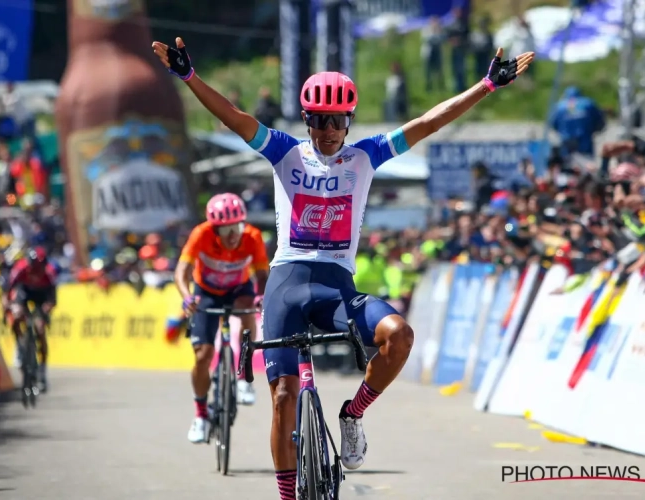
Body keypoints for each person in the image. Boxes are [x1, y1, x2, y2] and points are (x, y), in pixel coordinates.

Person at [153, 36, 533, 499]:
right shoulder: (284, 152)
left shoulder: (366, 156)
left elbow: (429, 122)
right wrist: (190, 76)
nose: (328, 130)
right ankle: (288, 495)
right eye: (319, 121)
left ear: (349, 122)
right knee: (283, 399)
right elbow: (235, 118)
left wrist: (486, 86)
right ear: (308, 121)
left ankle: (352, 415)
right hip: (286, 284)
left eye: (337, 121)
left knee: (400, 335)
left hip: (337, 287)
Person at [174, 192, 269, 443]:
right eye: (225, 229)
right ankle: (201, 414)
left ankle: (243, 377)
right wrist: (186, 297)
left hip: (239, 290)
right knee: (203, 356)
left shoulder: (253, 236)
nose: (232, 234)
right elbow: (182, 270)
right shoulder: (201, 234)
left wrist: (261, 296)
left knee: (248, 312)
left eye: (237, 226)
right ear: (214, 229)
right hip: (206, 293)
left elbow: (262, 275)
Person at [5, 246, 57, 392]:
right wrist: (9, 305)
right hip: (25, 292)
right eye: (34, 268)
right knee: (17, 315)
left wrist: (47, 308)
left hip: (42, 295)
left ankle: (42, 371)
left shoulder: (49, 273)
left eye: (40, 268)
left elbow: (53, 298)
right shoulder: (20, 268)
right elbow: (8, 289)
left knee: (40, 329)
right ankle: (20, 344)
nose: (36, 271)